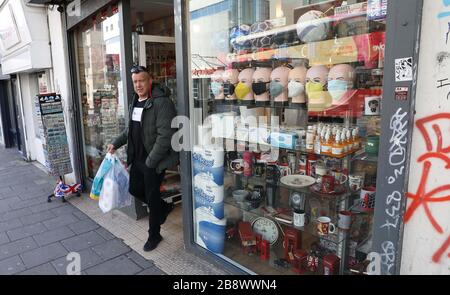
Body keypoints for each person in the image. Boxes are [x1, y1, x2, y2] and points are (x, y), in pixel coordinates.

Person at [107, 65, 179, 252]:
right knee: (134, 189)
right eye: (135, 82)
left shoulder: (162, 103)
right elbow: (129, 130)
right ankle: (163, 207)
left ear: (150, 80)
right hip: (137, 158)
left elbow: (166, 137)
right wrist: (115, 143)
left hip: (154, 160)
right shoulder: (135, 101)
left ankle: (154, 235)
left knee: (152, 196)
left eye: (142, 81)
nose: (138, 85)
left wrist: (151, 162)